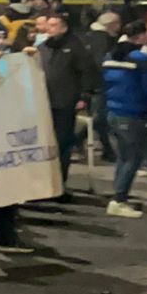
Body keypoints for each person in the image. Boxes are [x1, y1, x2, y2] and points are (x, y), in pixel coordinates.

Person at [35, 12, 100, 198]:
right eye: (48, 25)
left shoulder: (75, 47)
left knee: (62, 144)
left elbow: (87, 72)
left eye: (53, 25)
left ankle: (59, 184)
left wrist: (84, 96)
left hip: (64, 103)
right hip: (44, 102)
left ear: (64, 27)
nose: (49, 29)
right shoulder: (42, 48)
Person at [101, 23, 147, 218]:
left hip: (113, 110)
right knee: (133, 159)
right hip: (133, 112)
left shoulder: (109, 56)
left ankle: (118, 195)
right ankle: (119, 199)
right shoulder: (142, 59)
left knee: (122, 157)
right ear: (141, 36)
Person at [83, 11, 124, 162]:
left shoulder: (89, 36)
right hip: (100, 85)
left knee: (97, 119)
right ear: (112, 24)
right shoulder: (103, 40)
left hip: (90, 84)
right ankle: (108, 149)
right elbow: (102, 62)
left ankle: (108, 150)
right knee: (100, 119)